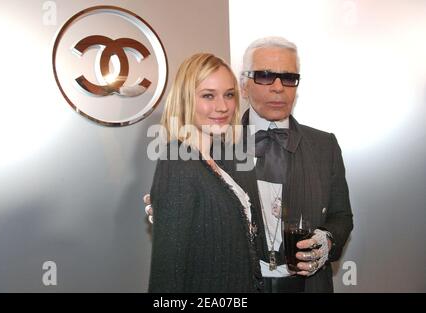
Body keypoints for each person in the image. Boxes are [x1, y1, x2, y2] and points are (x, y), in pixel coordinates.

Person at [146, 37, 353, 293]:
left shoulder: (325, 145)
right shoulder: (211, 144)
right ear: (244, 86)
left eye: (288, 77)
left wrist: (328, 240)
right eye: (265, 76)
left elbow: (342, 216)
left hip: (310, 286)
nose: (278, 87)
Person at [147, 53, 263, 293]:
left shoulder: (220, 160)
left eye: (229, 95)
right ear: (185, 99)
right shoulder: (177, 161)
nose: (222, 106)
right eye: (208, 95)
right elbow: (167, 274)